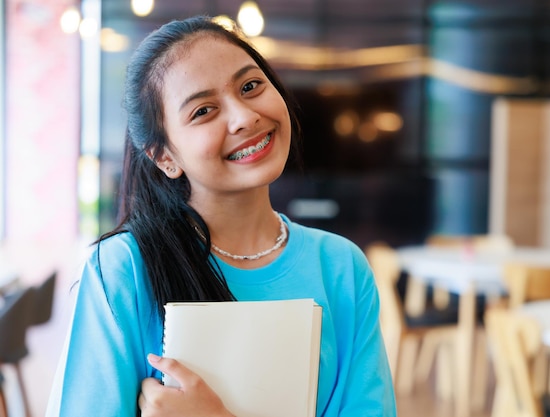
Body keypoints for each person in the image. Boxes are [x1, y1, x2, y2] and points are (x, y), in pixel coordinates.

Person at [46, 14, 396, 417]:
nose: (245, 117)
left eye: (250, 86)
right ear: (165, 157)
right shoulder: (123, 269)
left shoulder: (340, 265)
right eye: (204, 111)